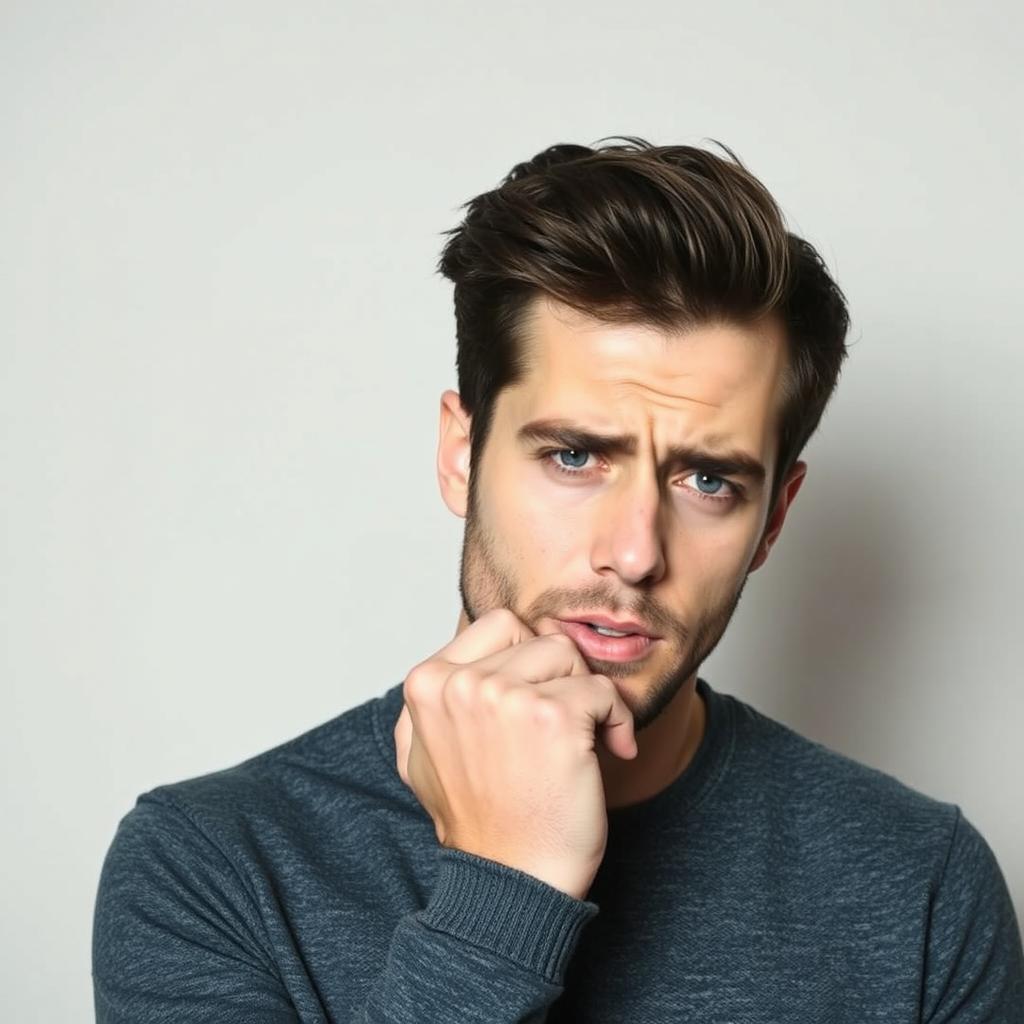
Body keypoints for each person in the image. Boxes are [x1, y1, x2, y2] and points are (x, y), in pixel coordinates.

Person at [92, 137, 1024, 1022]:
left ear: (773, 517)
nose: (633, 551)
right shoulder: (211, 865)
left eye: (710, 480)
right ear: (462, 453)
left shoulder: (920, 885)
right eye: (575, 456)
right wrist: (505, 890)